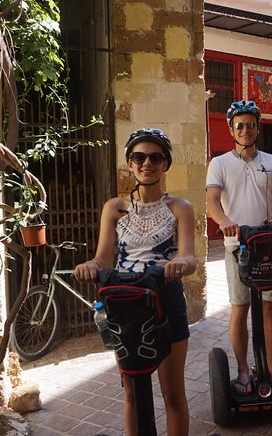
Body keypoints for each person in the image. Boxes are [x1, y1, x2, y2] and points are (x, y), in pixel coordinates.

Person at [74, 128, 195, 436]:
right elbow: (103, 258)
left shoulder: (179, 208)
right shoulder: (114, 208)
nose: (147, 163)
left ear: (165, 164)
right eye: (139, 157)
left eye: (155, 157)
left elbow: (189, 256)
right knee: (131, 392)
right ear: (130, 163)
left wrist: (180, 263)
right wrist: (90, 265)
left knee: (173, 394)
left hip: (165, 299)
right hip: (125, 303)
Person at [206, 100, 272, 395]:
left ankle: (271, 367)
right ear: (231, 128)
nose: (245, 130)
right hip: (236, 246)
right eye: (239, 125)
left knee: (270, 307)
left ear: (258, 128)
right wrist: (226, 221)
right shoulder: (219, 163)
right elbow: (212, 202)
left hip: (267, 242)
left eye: (250, 125)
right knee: (240, 308)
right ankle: (243, 370)